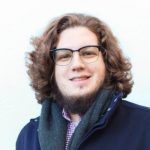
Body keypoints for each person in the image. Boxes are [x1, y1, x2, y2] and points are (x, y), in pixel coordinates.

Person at [16, 13, 150, 150]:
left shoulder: (146, 126)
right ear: (50, 70)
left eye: (88, 53)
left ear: (108, 62)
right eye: (64, 56)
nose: (77, 64)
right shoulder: (28, 137)